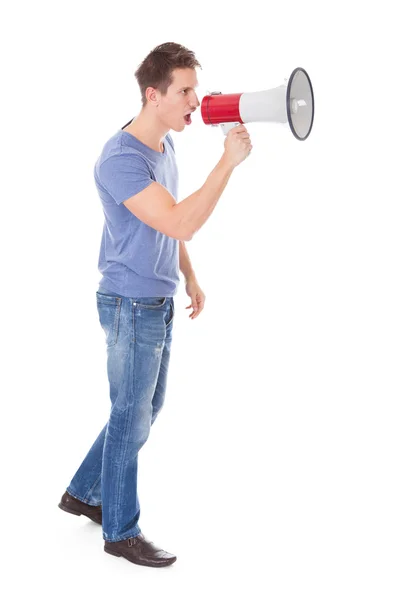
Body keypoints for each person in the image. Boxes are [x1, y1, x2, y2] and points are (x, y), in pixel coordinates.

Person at [58, 42, 252, 568]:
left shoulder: (166, 145)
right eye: (185, 91)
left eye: (194, 89)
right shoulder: (120, 159)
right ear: (154, 94)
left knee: (142, 412)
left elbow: (171, 219)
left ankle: (83, 492)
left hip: (156, 298)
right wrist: (227, 164)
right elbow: (181, 220)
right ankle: (120, 529)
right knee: (130, 415)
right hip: (129, 303)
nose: (196, 100)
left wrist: (189, 275)